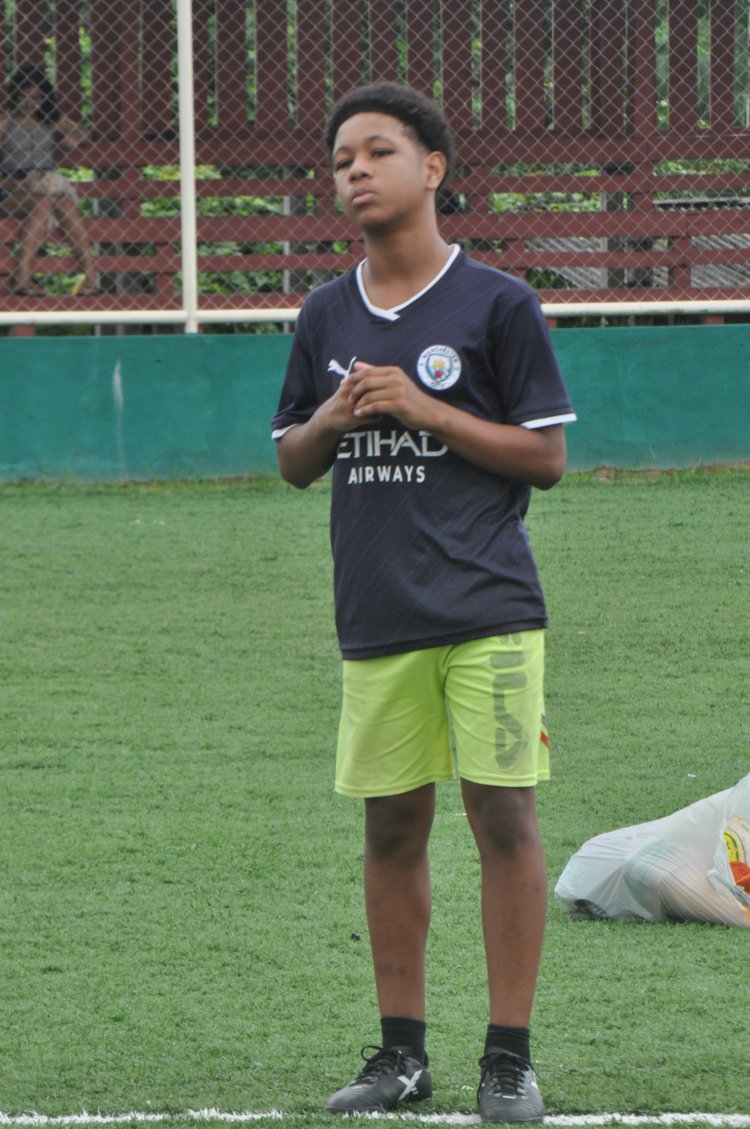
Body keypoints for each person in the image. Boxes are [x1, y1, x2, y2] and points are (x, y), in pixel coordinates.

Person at [271, 82, 575, 1123]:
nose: (354, 169)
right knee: (392, 830)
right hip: (377, 614)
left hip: (488, 610)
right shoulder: (324, 313)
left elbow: (545, 457)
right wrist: (334, 413)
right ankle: (401, 1054)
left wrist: (423, 406)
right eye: (341, 158)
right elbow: (292, 462)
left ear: (433, 169)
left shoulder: (498, 304)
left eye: (377, 151)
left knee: (505, 818)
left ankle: (508, 1058)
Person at [0, 64, 97, 295]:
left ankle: (91, 277)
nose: (29, 103)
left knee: (61, 200)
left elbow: (84, 131)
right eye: (23, 97)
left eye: (35, 97)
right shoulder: (6, 123)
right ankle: (22, 277)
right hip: (13, 189)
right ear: (15, 96)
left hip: (46, 182)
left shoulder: (51, 120)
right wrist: (10, 184)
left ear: (44, 98)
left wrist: (71, 140)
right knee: (45, 200)